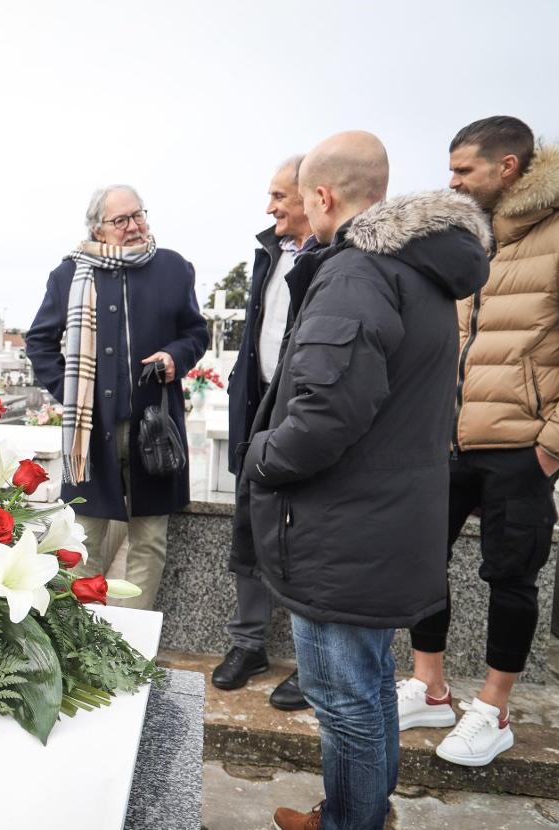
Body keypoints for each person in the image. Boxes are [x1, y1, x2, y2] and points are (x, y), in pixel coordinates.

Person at [231, 131, 489, 830]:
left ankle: (352, 823)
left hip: (343, 529)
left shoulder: (356, 272)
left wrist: (259, 458)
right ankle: (362, 811)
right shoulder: (420, 271)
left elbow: (324, 413)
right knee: (371, 688)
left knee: (344, 702)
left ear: (323, 196)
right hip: (386, 518)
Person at [401, 116, 559, 768]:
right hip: (447, 439)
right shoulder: (468, 237)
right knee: (419, 559)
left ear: (507, 168)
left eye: (463, 170)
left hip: (521, 444)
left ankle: (493, 710)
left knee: (511, 576)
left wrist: (552, 444)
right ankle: (430, 687)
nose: (452, 182)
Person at [25, 184, 207, 609]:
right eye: (121, 220)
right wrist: (68, 393)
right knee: (84, 537)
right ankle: (88, 645)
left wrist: (175, 356)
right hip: (90, 431)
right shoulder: (69, 274)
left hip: (155, 426)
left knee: (150, 538)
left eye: (138, 215)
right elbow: (40, 341)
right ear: (98, 228)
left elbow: (195, 332)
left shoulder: (174, 268)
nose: (134, 226)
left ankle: (134, 641)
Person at [212, 156, 317, 711]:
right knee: (249, 530)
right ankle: (248, 644)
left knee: (306, 538)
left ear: (313, 195)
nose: (270, 206)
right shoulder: (269, 254)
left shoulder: (334, 257)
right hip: (258, 410)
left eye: (280, 195)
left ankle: (312, 663)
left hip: (306, 414)